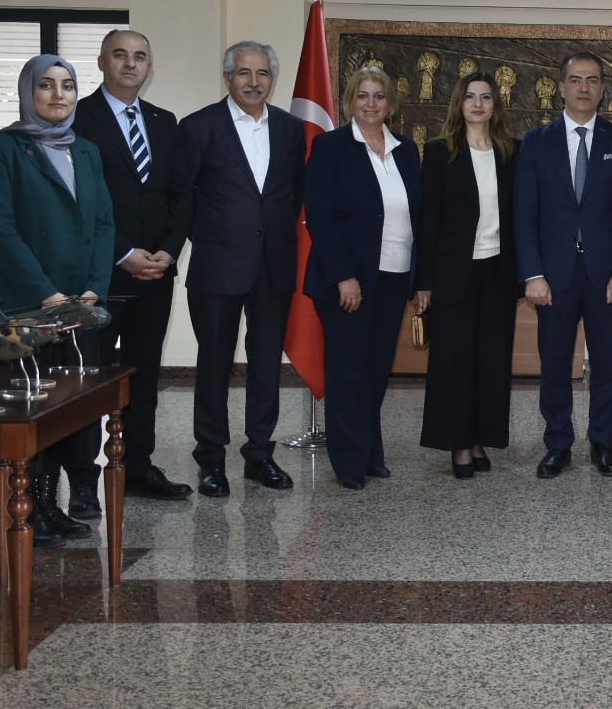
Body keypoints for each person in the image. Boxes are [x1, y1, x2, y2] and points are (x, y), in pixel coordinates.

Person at [0, 54, 114, 546]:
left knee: (68, 408)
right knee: (32, 406)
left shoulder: (86, 150)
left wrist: (94, 287)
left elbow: (103, 223)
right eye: (46, 85)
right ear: (28, 92)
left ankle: (51, 504)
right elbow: (2, 230)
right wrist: (47, 294)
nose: (58, 95)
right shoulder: (4, 148)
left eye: (67, 85)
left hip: (79, 305)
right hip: (30, 304)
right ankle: (32, 508)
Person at [175, 41, 304, 497]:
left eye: (262, 73)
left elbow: (293, 195)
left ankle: (259, 455)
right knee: (214, 364)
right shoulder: (197, 127)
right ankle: (211, 458)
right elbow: (183, 199)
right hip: (217, 266)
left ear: (272, 79)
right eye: (244, 73)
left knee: (266, 364)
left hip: (274, 265)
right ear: (228, 77)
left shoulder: (290, 128)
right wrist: (217, 239)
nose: (254, 81)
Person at [72, 29, 193, 506]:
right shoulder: (78, 117)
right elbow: (81, 198)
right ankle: (84, 481)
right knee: (89, 378)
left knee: (144, 374)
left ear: (149, 67)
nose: (130, 64)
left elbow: (181, 194)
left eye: (139, 56)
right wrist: (123, 253)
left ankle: (138, 467)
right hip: (100, 275)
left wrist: (169, 251)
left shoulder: (164, 122)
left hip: (156, 274)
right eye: (119, 55)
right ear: (102, 63)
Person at [516, 53, 612, 479]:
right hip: (553, 277)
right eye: (575, 79)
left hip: (607, 277)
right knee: (554, 364)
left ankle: (602, 443)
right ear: (561, 88)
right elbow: (525, 214)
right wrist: (532, 274)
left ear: (602, 89)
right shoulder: (536, 142)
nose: (584, 87)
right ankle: (558, 443)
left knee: (606, 363)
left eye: (592, 80)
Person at [304, 65, 423, 490]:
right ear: (350, 102)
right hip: (348, 282)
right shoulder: (331, 147)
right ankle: (348, 462)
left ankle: (371, 453)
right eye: (362, 95)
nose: (371, 104)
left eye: (379, 96)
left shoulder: (406, 150)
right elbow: (320, 218)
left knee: (375, 371)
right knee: (348, 372)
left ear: (391, 103)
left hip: (393, 276)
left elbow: (417, 215)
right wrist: (343, 277)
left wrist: (420, 279)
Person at [416, 71, 521, 478]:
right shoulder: (440, 151)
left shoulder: (511, 151)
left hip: (498, 272)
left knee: (491, 362)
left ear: (496, 105)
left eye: (486, 97)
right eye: (470, 97)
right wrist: (424, 281)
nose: (478, 104)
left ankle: (480, 437)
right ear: (458, 104)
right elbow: (429, 220)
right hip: (453, 274)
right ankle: (458, 444)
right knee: (455, 363)